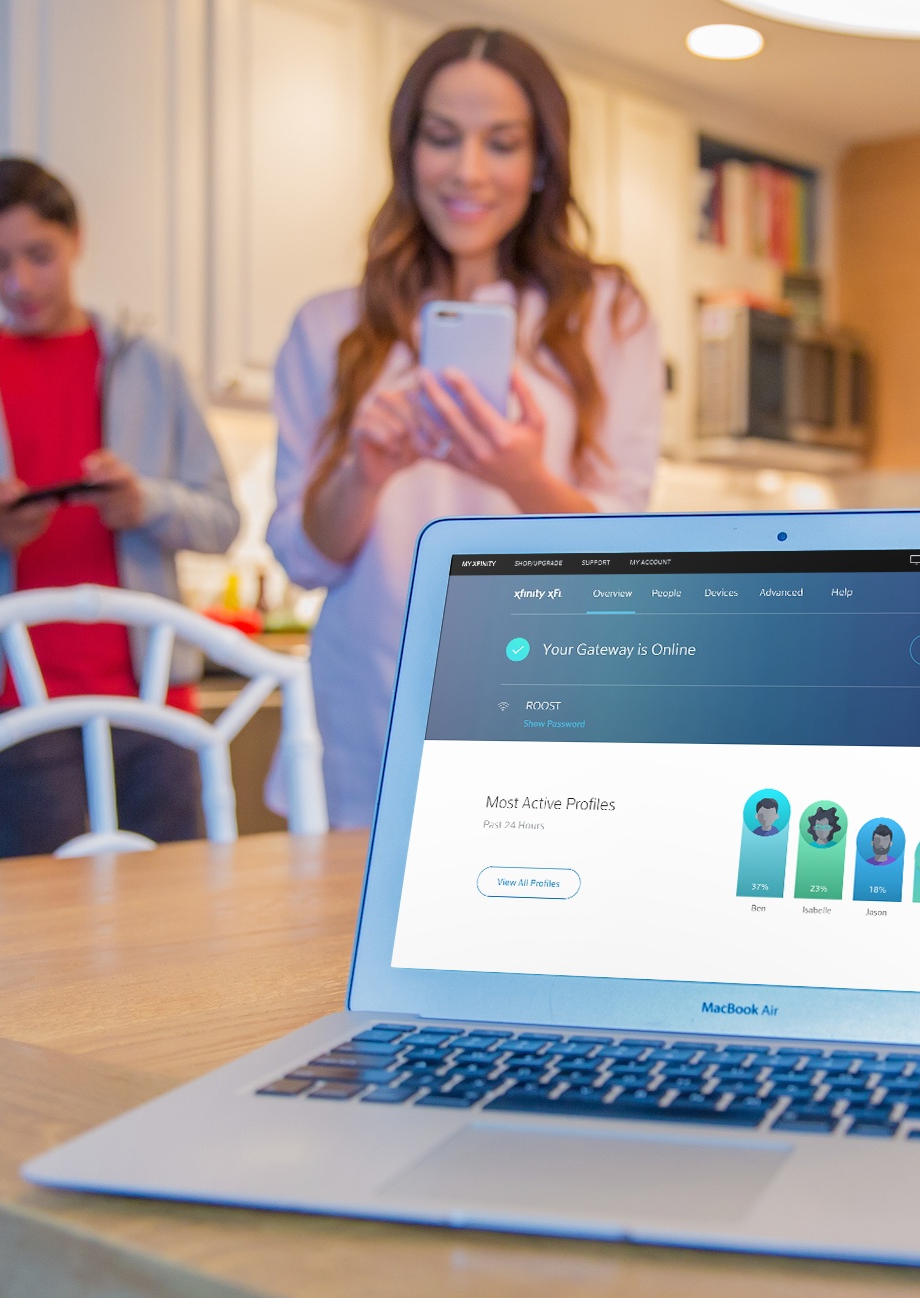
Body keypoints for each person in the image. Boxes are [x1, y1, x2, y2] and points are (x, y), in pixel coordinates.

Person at [266, 27, 660, 827]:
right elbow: (304, 558)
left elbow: (628, 559)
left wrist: (523, 476)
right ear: (406, 151)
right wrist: (365, 468)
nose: (468, 171)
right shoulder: (329, 327)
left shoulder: (608, 314)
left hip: (548, 702)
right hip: (369, 701)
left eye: (503, 143)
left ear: (542, 161)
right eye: (441, 138)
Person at [0, 158, 240, 858]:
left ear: (77, 240)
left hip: (151, 692)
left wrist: (145, 504)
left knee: (179, 916)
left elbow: (223, 520)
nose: (21, 283)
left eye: (39, 256)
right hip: (13, 698)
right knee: (46, 938)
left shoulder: (150, 366)